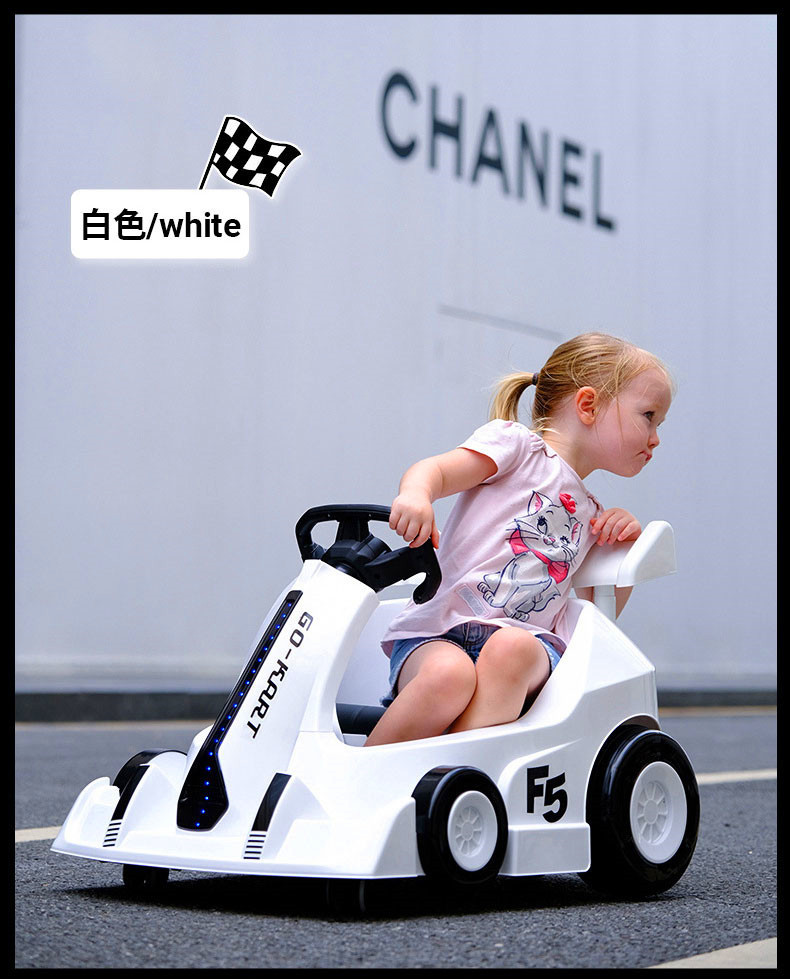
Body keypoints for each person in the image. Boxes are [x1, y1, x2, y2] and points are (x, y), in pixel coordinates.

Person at [364, 332, 674, 746]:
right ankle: (361, 772)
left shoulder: (594, 516)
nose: (656, 437)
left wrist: (620, 551)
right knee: (446, 676)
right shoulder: (516, 446)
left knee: (511, 647)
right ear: (588, 405)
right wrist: (417, 495)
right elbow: (434, 470)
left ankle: (460, 769)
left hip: (527, 648)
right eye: (648, 416)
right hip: (439, 631)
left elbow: (598, 616)